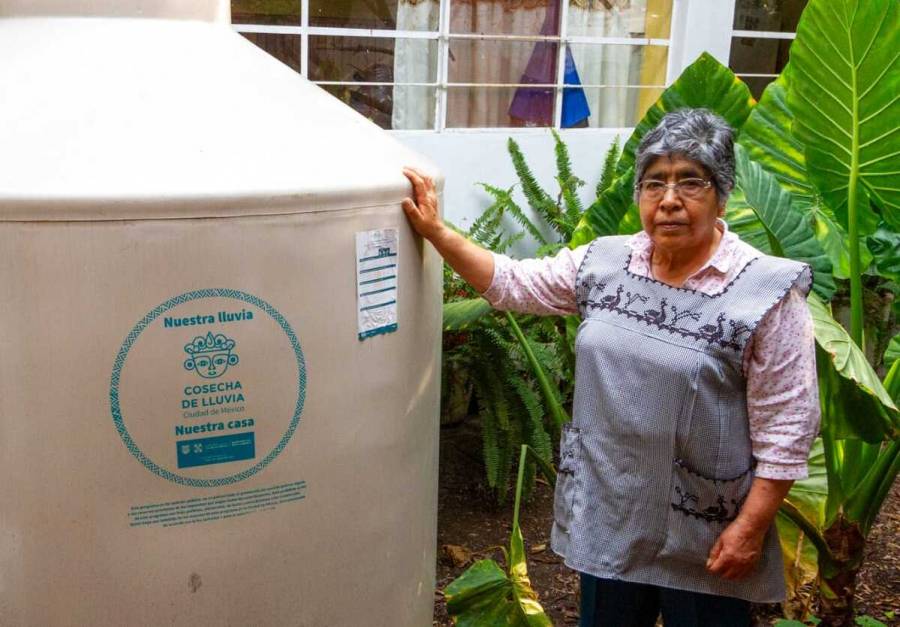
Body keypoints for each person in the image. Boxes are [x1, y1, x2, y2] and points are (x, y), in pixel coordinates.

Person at [402, 108, 819, 627]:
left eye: (690, 181)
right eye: (654, 183)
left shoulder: (764, 293)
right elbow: (512, 282)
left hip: (704, 530)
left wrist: (751, 528)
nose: (669, 200)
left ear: (722, 192)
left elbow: (788, 427)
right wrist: (438, 233)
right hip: (613, 513)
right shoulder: (605, 262)